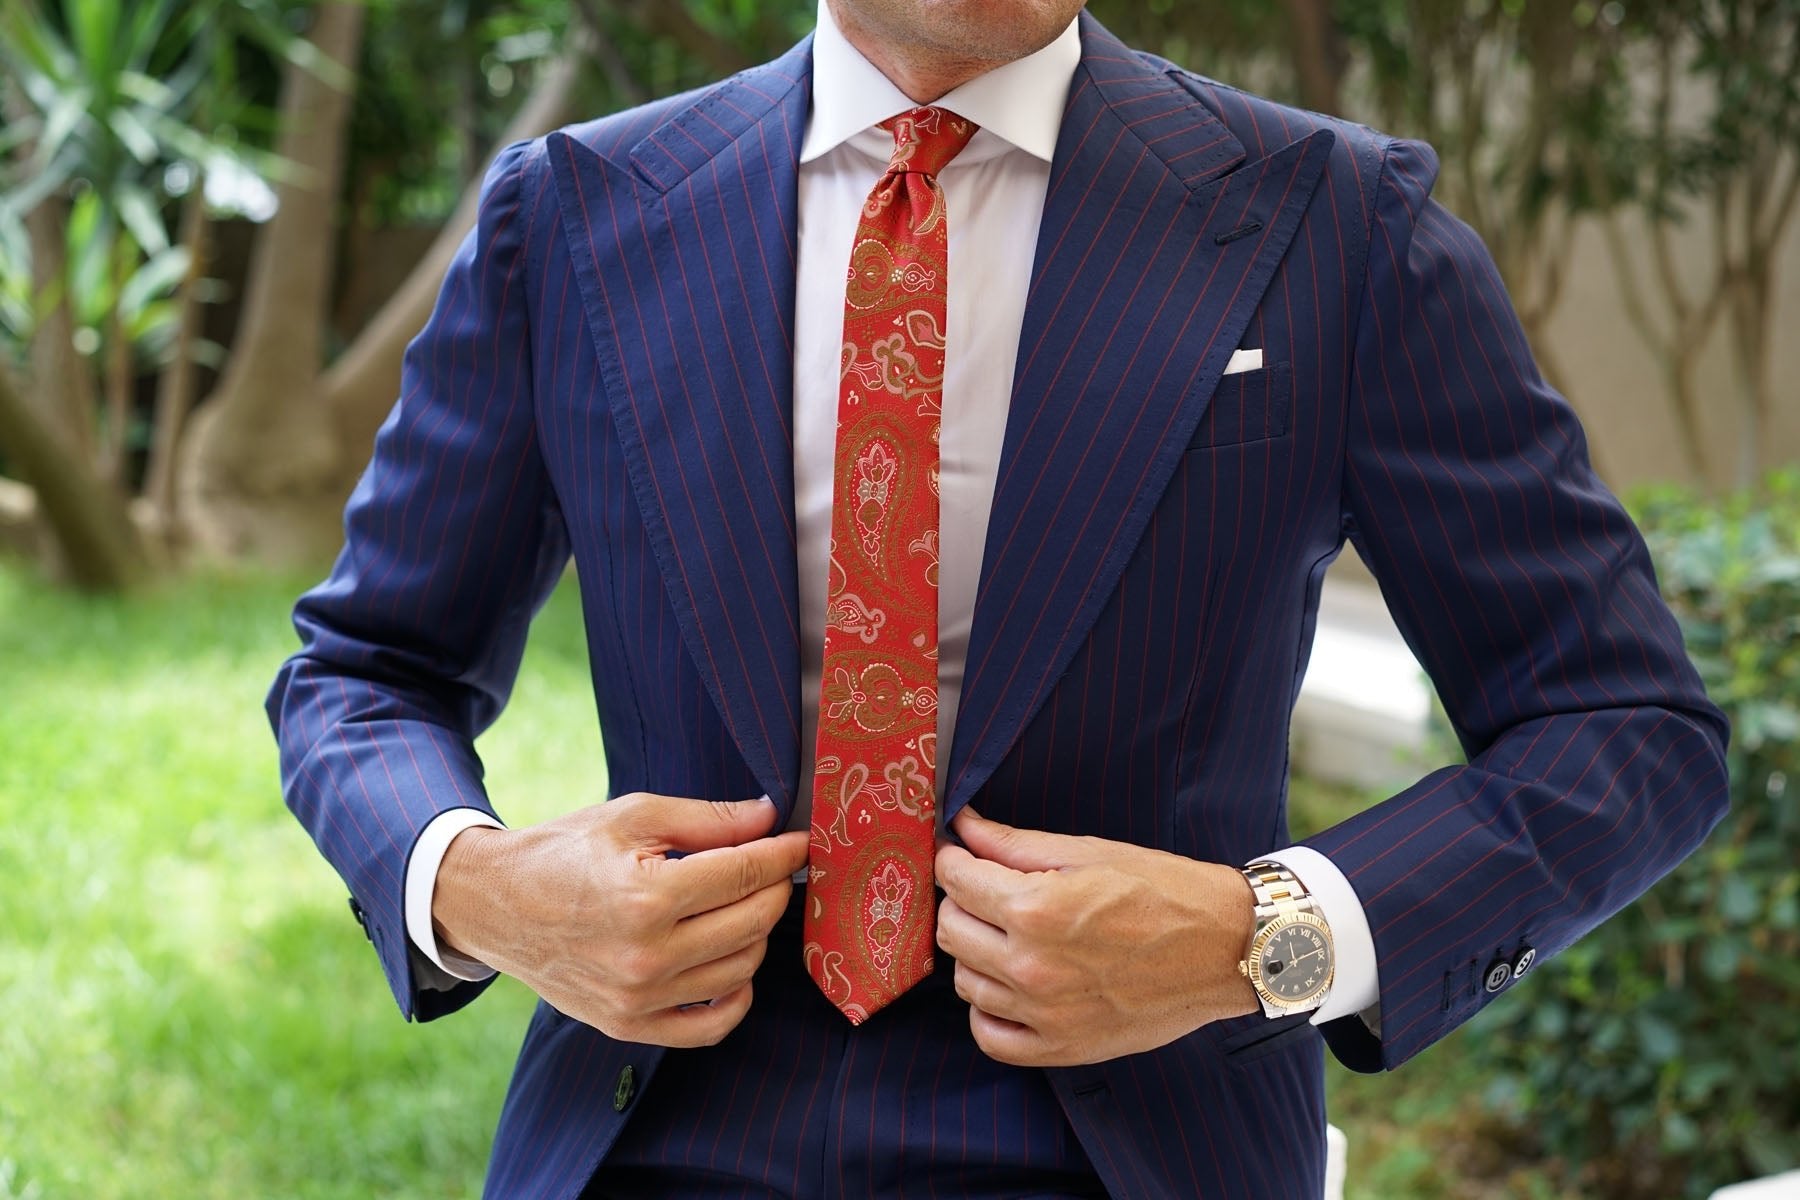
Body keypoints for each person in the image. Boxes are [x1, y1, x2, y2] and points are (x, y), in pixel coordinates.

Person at [267, 1, 1730, 1196]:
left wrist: (1263, 933)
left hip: (1138, 1143)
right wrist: (479, 889)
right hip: (656, 1122)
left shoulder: (1341, 225)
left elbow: (1626, 723)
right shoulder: (575, 213)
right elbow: (366, 668)